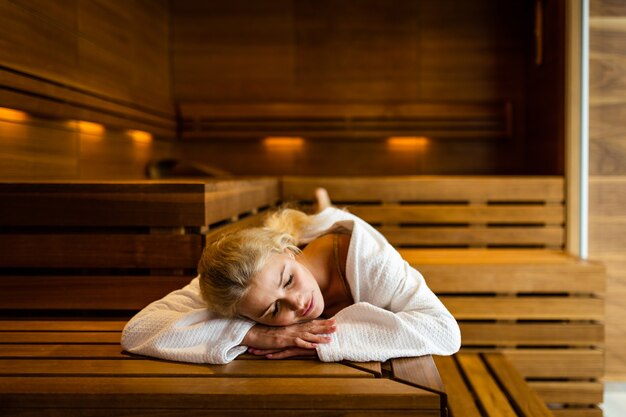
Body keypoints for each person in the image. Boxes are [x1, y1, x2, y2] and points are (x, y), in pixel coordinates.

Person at [121, 189, 461, 364]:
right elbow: (137, 330)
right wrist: (250, 334)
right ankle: (323, 207)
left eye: (288, 280)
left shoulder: (373, 262)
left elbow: (444, 332)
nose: (298, 303)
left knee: (326, 214)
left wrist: (328, 343)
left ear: (288, 251)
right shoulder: (238, 284)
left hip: (322, 237)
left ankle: (324, 208)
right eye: (272, 311)